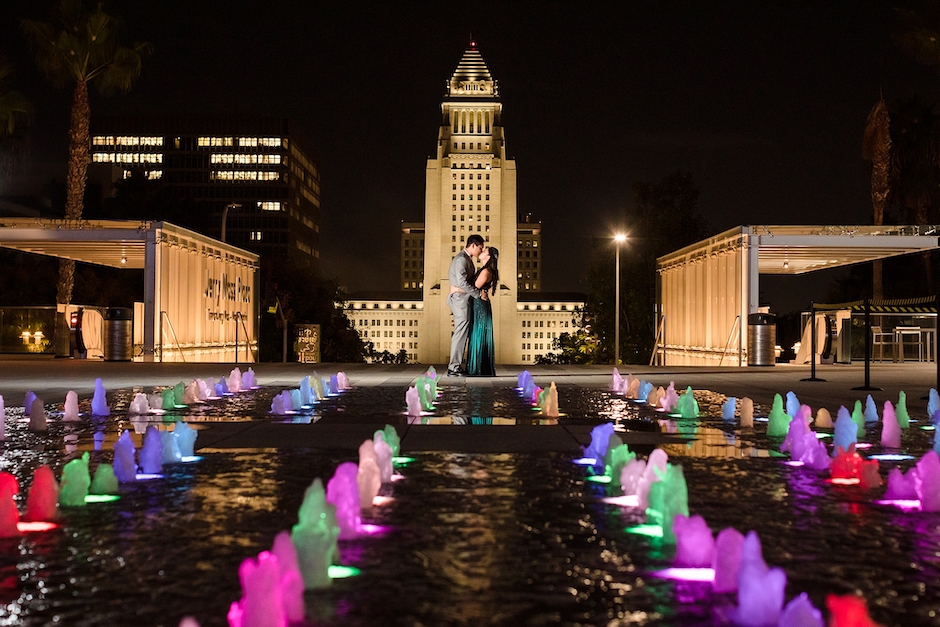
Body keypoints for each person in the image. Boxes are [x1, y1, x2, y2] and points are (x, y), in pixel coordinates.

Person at [447, 234, 486, 376]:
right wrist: (478, 293)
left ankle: (456, 366)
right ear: (473, 245)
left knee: (463, 333)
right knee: (460, 333)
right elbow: (462, 282)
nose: (481, 251)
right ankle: (453, 367)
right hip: (460, 301)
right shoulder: (461, 260)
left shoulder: (466, 260)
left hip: (463, 300)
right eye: (480, 248)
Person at [467, 246, 498, 376]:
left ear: (489, 257)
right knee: (478, 334)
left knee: (478, 334)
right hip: (480, 304)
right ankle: (479, 367)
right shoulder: (485, 270)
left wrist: (456, 289)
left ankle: (477, 368)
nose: (482, 251)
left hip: (479, 305)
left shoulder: (486, 271)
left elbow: (473, 288)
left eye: (484, 251)